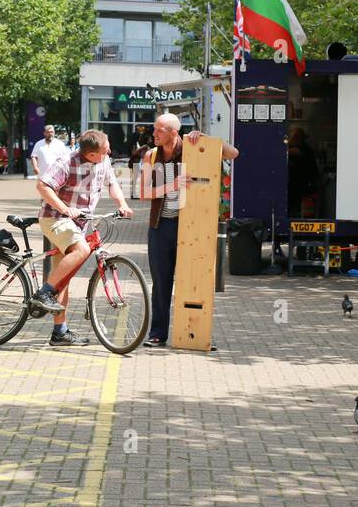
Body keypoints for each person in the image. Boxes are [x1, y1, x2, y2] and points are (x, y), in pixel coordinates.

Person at [140, 113, 240, 348]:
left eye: (159, 130)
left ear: (174, 133)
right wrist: (171, 186)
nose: (154, 134)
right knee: (161, 283)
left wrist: (206, 137)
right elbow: (144, 193)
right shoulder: (150, 156)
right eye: (154, 130)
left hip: (191, 228)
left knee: (195, 281)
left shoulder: (193, 148)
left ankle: (196, 334)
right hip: (160, 226)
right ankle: (157, 333)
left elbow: (233, 153)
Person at [31, 130, 134, 347]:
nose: (110, 150)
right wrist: (65, 209)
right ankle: (44, 293)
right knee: (82, 250)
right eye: (106, 148)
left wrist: (122, 204)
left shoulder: (104, 161)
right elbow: (42, 186)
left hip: (79, 223)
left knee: (64, 278)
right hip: (55, 218)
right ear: (92, 154)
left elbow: (112, 184)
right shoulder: (67, 162)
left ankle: (60, 332)